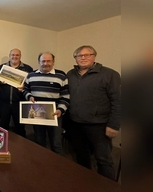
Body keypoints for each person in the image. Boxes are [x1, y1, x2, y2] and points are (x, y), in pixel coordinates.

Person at [67, 45, 120, 180]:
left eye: (87, 55)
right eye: (79, 55)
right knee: (81, 155)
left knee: (103, 159)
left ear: (94, 56)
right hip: (75, 124)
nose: (83, 58)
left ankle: (108, 187)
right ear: (75, 58)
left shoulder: (110, 74)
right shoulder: (70, 74)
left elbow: (118, 101)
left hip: (99, 125)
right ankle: (85, 182)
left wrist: (114, 124)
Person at [22, 52, 70, 155]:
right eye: (43, 61)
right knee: (39, 141)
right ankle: (42, 166)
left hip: (55, 114)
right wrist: (29, 96)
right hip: (37, 114)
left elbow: (65, 96)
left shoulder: (61, 76)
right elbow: (25, 90)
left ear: (53, 62)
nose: (46, 63)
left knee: (56, 143)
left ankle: (58, 168)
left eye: (49, 61)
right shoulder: (31, 75)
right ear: (39, 62)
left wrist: (61, 110)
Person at [0, 48, 33, 137]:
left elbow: (31, 85)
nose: (15, 57)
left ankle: (21, 148)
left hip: (20, 103)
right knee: (3, 126)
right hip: (4, 102)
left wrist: (24, 86)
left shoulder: (28, 68)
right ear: (9, 56)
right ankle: (2, 147)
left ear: (20, 56)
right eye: (13, 55)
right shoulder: (1, 67)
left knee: (20, 127)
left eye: (17, 55)